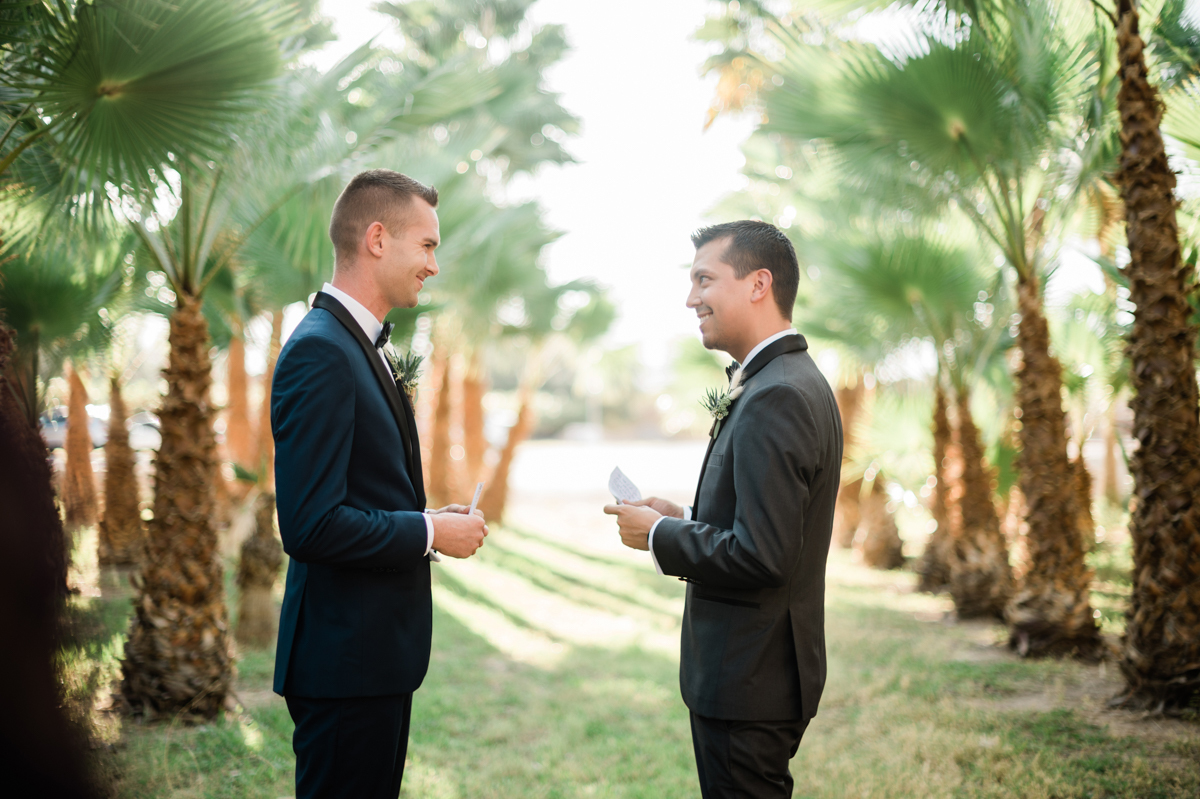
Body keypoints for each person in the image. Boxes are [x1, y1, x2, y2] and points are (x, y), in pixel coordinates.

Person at [604, 220, 842, 798]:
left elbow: (763, 555)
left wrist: (660, 535)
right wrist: (683, 513)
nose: (691, 298)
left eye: (704, 280)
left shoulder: (776, 394)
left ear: (759, 284)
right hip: (762, 673)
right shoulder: (785, 379)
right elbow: (770, 519)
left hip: (751, 678)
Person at [271, 169, 488, 799]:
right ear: (376, 238)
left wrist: (426, 519)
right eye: (426, 246)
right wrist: (427, 532)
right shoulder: (322, 351)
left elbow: (359, 494)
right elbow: (310, 524)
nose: (434, 266)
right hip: (343, 666)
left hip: (369, 662)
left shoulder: (354, 344)